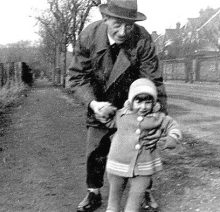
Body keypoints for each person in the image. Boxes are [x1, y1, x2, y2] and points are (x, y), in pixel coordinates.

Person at [68, 0, 167, 211]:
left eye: (129, 25)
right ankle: (93, 193)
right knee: (95, 148)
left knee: (143, 146)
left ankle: (144, 193)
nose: (123, 32)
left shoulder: (142, 38)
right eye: (117, 25)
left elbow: (153, 81)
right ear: (105, 19)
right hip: (99, 100)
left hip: (134, 102)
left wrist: (157, 119)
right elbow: (77, 77)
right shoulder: (89, 36)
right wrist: (94, 104)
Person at [102, 78, 182, 212]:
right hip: (117, 162)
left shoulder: (157, 117)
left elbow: (173, 125)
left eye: (148, 102)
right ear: (131, 101)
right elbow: (108, 122)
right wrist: (105, 112)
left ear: (154, 102)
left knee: (135, 198)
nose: (143, 107)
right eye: (138, 101)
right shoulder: (122, 114)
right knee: (114, 199)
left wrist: (172, 137)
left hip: (144, 166)